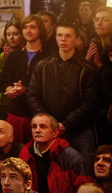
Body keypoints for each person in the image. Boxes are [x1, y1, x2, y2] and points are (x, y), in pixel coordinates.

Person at [27, 23, 102, 165]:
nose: (63, 39)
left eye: (68, 36)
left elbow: (92, 102)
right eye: (60, 35)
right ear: (55, 38)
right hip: (49, 129)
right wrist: (50, 123)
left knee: (83, 173)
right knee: (50, 173)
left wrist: (66, 124)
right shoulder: (43, 65)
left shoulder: (87, 68)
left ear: (77, 39)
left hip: (80, 129)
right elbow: (32, 96)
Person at [0, 15, 49, 144]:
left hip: (38, 112)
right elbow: (4, 81)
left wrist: (26, 90)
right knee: (15, 150)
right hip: (16, 111)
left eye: (32, 27)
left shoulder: (49, 56)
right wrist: (12, 90)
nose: (28, 30)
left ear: (40, 30)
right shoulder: (15, 55)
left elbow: (50, 86)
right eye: (25, 27)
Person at [19, 113, 93, 193]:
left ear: (55, 133)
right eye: (34, 127)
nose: (37, 130)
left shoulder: (70, 156)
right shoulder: (25, 155)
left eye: (43, 127)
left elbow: (86, 188)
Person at [0, 20, 25, 121]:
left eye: (15, 34)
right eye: (8, 34)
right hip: (5, 103)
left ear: (22, 34)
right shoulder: (3, 54)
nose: (11, 37)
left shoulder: (27, 53)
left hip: (23, 105)